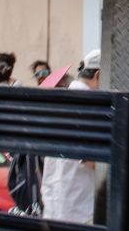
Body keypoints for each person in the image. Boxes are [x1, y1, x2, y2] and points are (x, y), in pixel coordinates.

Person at [40, 50, 101, 223]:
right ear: (98, 75)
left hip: (52, 206)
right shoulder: (89, 108)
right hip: (78, 210)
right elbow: (91, 161)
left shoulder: (59, 103)